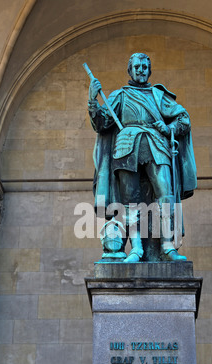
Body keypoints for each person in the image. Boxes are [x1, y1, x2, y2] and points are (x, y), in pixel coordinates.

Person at [88, 53, 197, 262]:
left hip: (156, 144)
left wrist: (168, 128)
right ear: (130, 70)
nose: (140, 70)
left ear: (149, 71)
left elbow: (184, 118)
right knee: (131, 200)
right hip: (126, 146)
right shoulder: (120, 95)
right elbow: (102, 123)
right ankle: (136, 249)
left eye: (145, 67)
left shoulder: (158, 95)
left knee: (166, 194)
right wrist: (93, 100)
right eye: (136, 66)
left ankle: (167, 247)